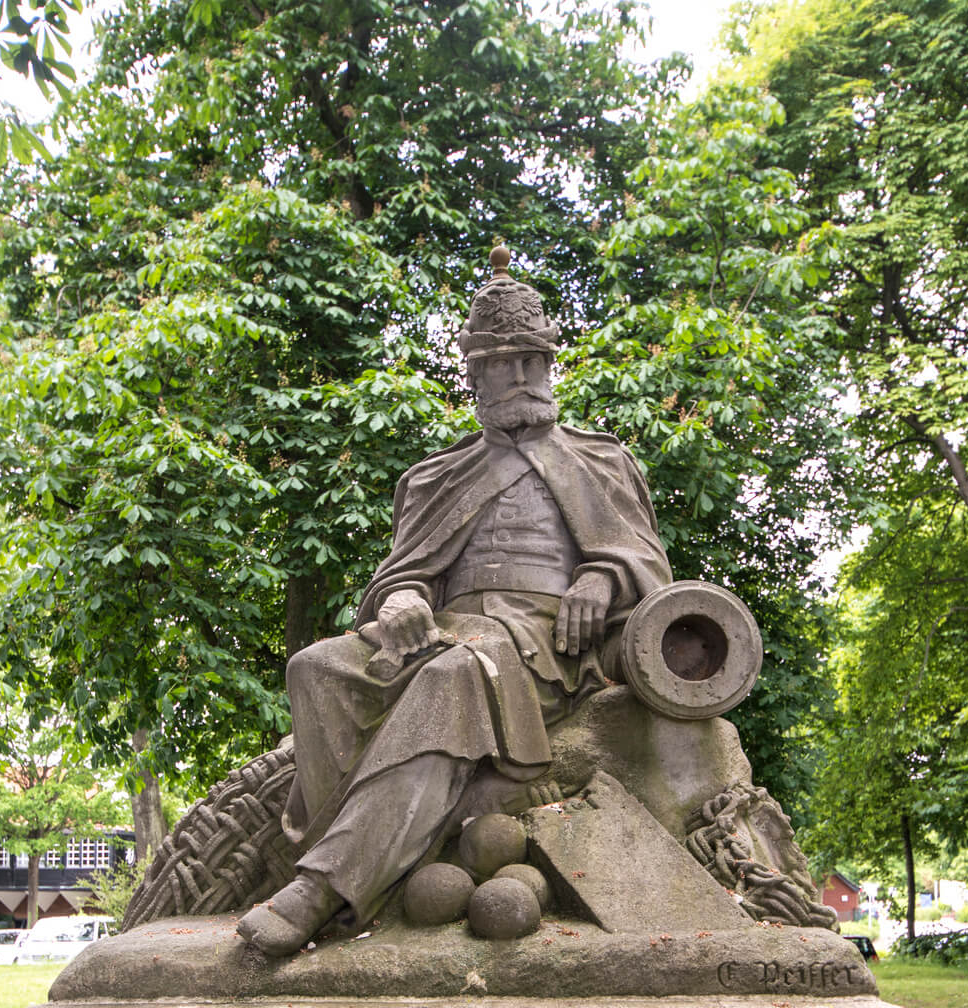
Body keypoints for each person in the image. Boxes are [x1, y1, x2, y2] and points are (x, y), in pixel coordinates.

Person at [236, 247, 672, 956]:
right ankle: (358, 852)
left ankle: (323, 890)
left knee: (455, 676)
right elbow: (399, 574)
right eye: (504, 361)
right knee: (314, 668)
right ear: (475, 375)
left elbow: (649, 567)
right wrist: (404, 596)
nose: (523, 373)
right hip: (442, 627)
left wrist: (604, 579)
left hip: (541, 645)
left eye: (533, 358)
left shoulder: (602, 460)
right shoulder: (434, 476)